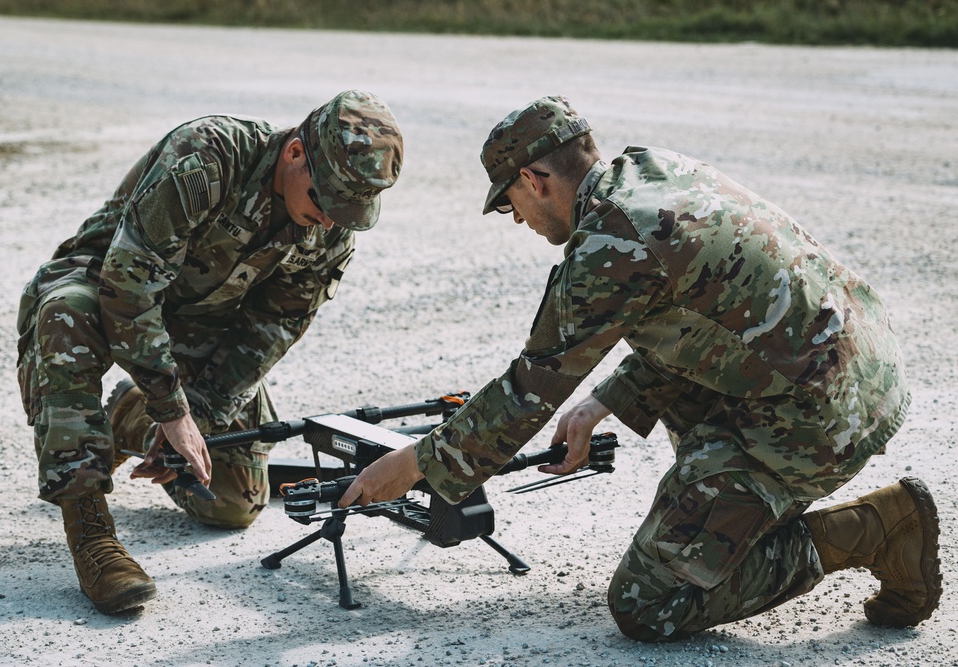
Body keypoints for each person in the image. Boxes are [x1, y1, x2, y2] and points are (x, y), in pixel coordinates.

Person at [340, 96, 941, 641]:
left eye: (510, 202)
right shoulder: (653, 174)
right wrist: (605, 400)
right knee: (687, 476)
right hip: (862, 371)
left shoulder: (608, 243)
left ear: (533, 179)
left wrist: (418, 462)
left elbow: (529, 390)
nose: (516, 218)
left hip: (818, 414)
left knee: (647, 602)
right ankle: (731, 514)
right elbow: (711, 315)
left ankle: (880, 528)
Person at [16, 90, 403, 615]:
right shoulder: (208, 156)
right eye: (325, 201)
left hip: (198, 323)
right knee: (63, 317)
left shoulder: (328, 230)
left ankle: (128, 419)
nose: (332, 222)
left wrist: (196, 412)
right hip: (105, 285)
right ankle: (92, 534)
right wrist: (173, 409)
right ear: (294, 153)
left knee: (232, 501)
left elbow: (271, 330)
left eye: (348, 211)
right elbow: (128, 288)